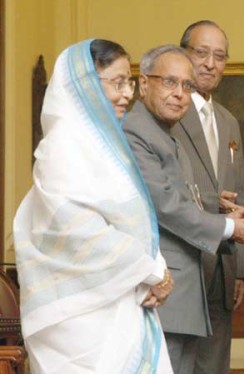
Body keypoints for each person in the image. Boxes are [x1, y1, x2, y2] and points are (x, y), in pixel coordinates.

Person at [13, 39, 174, 373]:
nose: (127, 94)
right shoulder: (62, 146)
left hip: (123, 299)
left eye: (128, 82)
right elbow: (80, 231)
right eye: (117, 83)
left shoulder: (106, 146)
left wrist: (154, 269)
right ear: (84, 84)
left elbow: (135, 220)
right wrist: (151, 271)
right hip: (81, 321)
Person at [122, 45, 244, 374]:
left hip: (182, 295)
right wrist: (228, 227)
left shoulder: (164, 134)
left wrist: (218, 206)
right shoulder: (137, 131)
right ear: (144, 84)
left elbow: (179, 194)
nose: (180, 94)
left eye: (187, 85)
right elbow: (165, 206)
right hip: (163, 292)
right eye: (169, 82)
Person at [170, 20, 244, 374]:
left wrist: (243, 270)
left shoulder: (229, 120)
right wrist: (209, 201)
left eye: (219, 56)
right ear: (183, 54)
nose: (210, 63)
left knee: (215, 366)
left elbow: (241, 192)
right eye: (201, 53)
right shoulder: (169, 111)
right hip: (183, 263)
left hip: (222, 267)